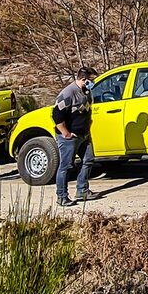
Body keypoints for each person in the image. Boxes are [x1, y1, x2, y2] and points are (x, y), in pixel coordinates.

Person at [53, 67, 99, 207]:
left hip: (84, 134)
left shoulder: (86, 91)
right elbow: (57, 115)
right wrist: (65, 133)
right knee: (66, 166)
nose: (93, 83)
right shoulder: (68, 93)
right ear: (83, 79)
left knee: (88, 160)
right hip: (70, 137)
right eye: (91, 80)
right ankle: (62, 196)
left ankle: (82, 190)